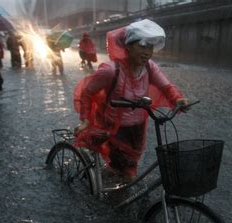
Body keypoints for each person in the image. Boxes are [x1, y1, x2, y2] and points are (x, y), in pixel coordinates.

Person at [73, 19, 188, 180]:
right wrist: (85, 120)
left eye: (150, 47)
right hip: (112, 128)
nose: (147, 52)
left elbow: (167, 87)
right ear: (127, 45)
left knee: (127, 165)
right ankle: (113, 199)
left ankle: (113, 181)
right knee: (128, 174)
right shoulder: (111, 70)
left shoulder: (149, 67)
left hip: (137, 128)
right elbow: (87, 92)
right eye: (142, 45)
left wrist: (178, 100)